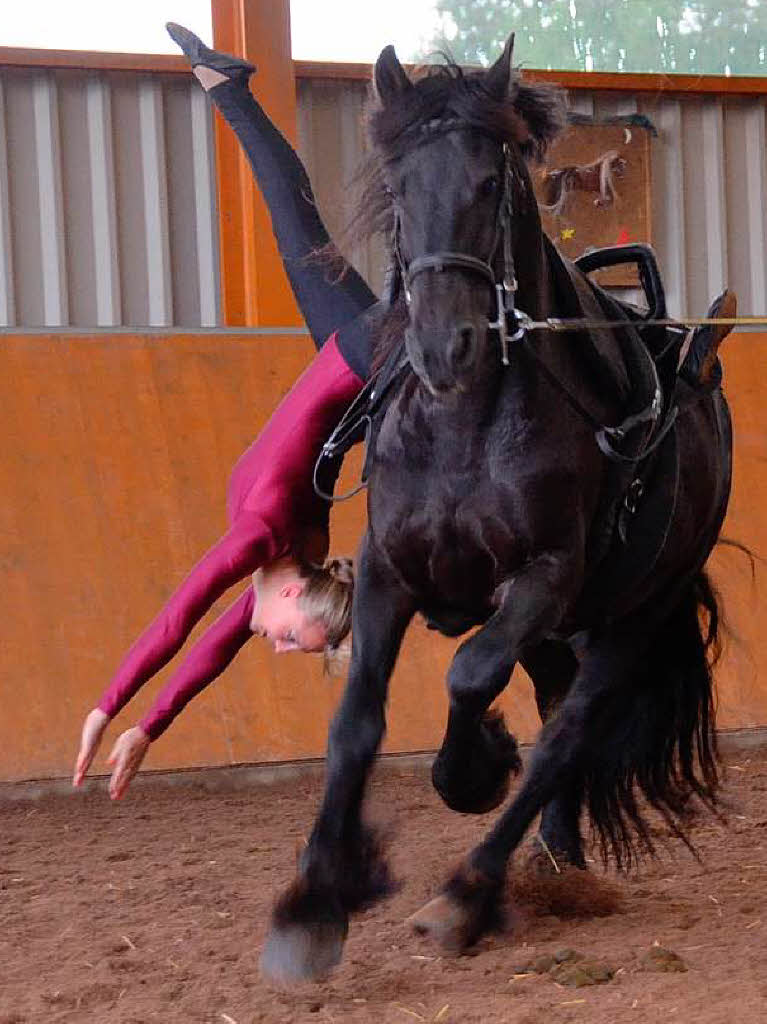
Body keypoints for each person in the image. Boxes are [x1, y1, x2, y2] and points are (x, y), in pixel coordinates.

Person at [73, 23, 384, 800]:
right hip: (373, 362)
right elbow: (178, 621)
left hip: (347, 358)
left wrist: (146, 726)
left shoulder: (287, 552)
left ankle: (227, 86)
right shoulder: (264, 535)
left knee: (292, 222)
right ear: (287, 593)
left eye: (290, 647)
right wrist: (105, 707)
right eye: (292, 639)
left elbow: (210, 644)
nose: (278, 648)